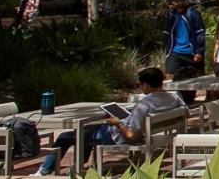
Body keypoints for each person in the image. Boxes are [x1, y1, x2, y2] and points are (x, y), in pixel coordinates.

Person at [31, 68, 183, 176]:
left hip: (116, 135)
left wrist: (118, 123)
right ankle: (79, 166)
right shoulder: (173, 97)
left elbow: (132, 136)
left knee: (66, 136)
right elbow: (185, 112)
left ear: (146, 85)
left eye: (140, 84)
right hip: (143, 130)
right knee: (84, 132)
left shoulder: (144, 105)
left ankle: (43, 171)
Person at [164, 0, 206, 81]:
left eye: (179, 1)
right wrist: (168, 49)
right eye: (175, 1)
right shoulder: (171, 14)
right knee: (169, 75)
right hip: (175, 50)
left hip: (191, 51)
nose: (177, 3)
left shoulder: (192, 13)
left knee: (198, 78)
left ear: (185, 0)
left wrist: (199, 51)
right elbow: (167, 33)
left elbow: (200, 32)